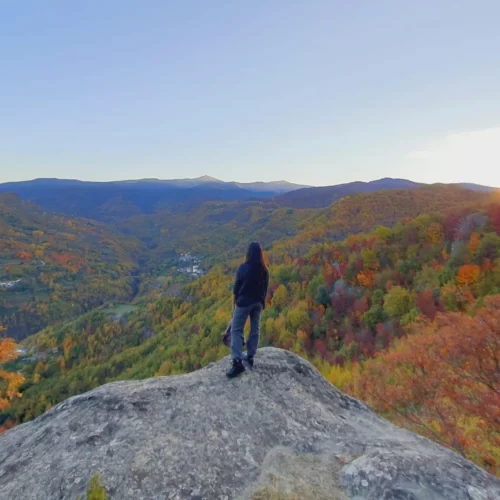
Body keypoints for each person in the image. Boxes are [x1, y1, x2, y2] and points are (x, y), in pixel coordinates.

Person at [227, 242, 269, 378]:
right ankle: (250, 356)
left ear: (248, 253)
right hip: (258, 302)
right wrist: (262, 302)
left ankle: (237, 361)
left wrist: (234, 305)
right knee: (255, 328)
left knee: (236, 329)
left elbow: (236, 289)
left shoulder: (243, 268)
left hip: (244, 302)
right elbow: (265, 289)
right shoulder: (264, 270)